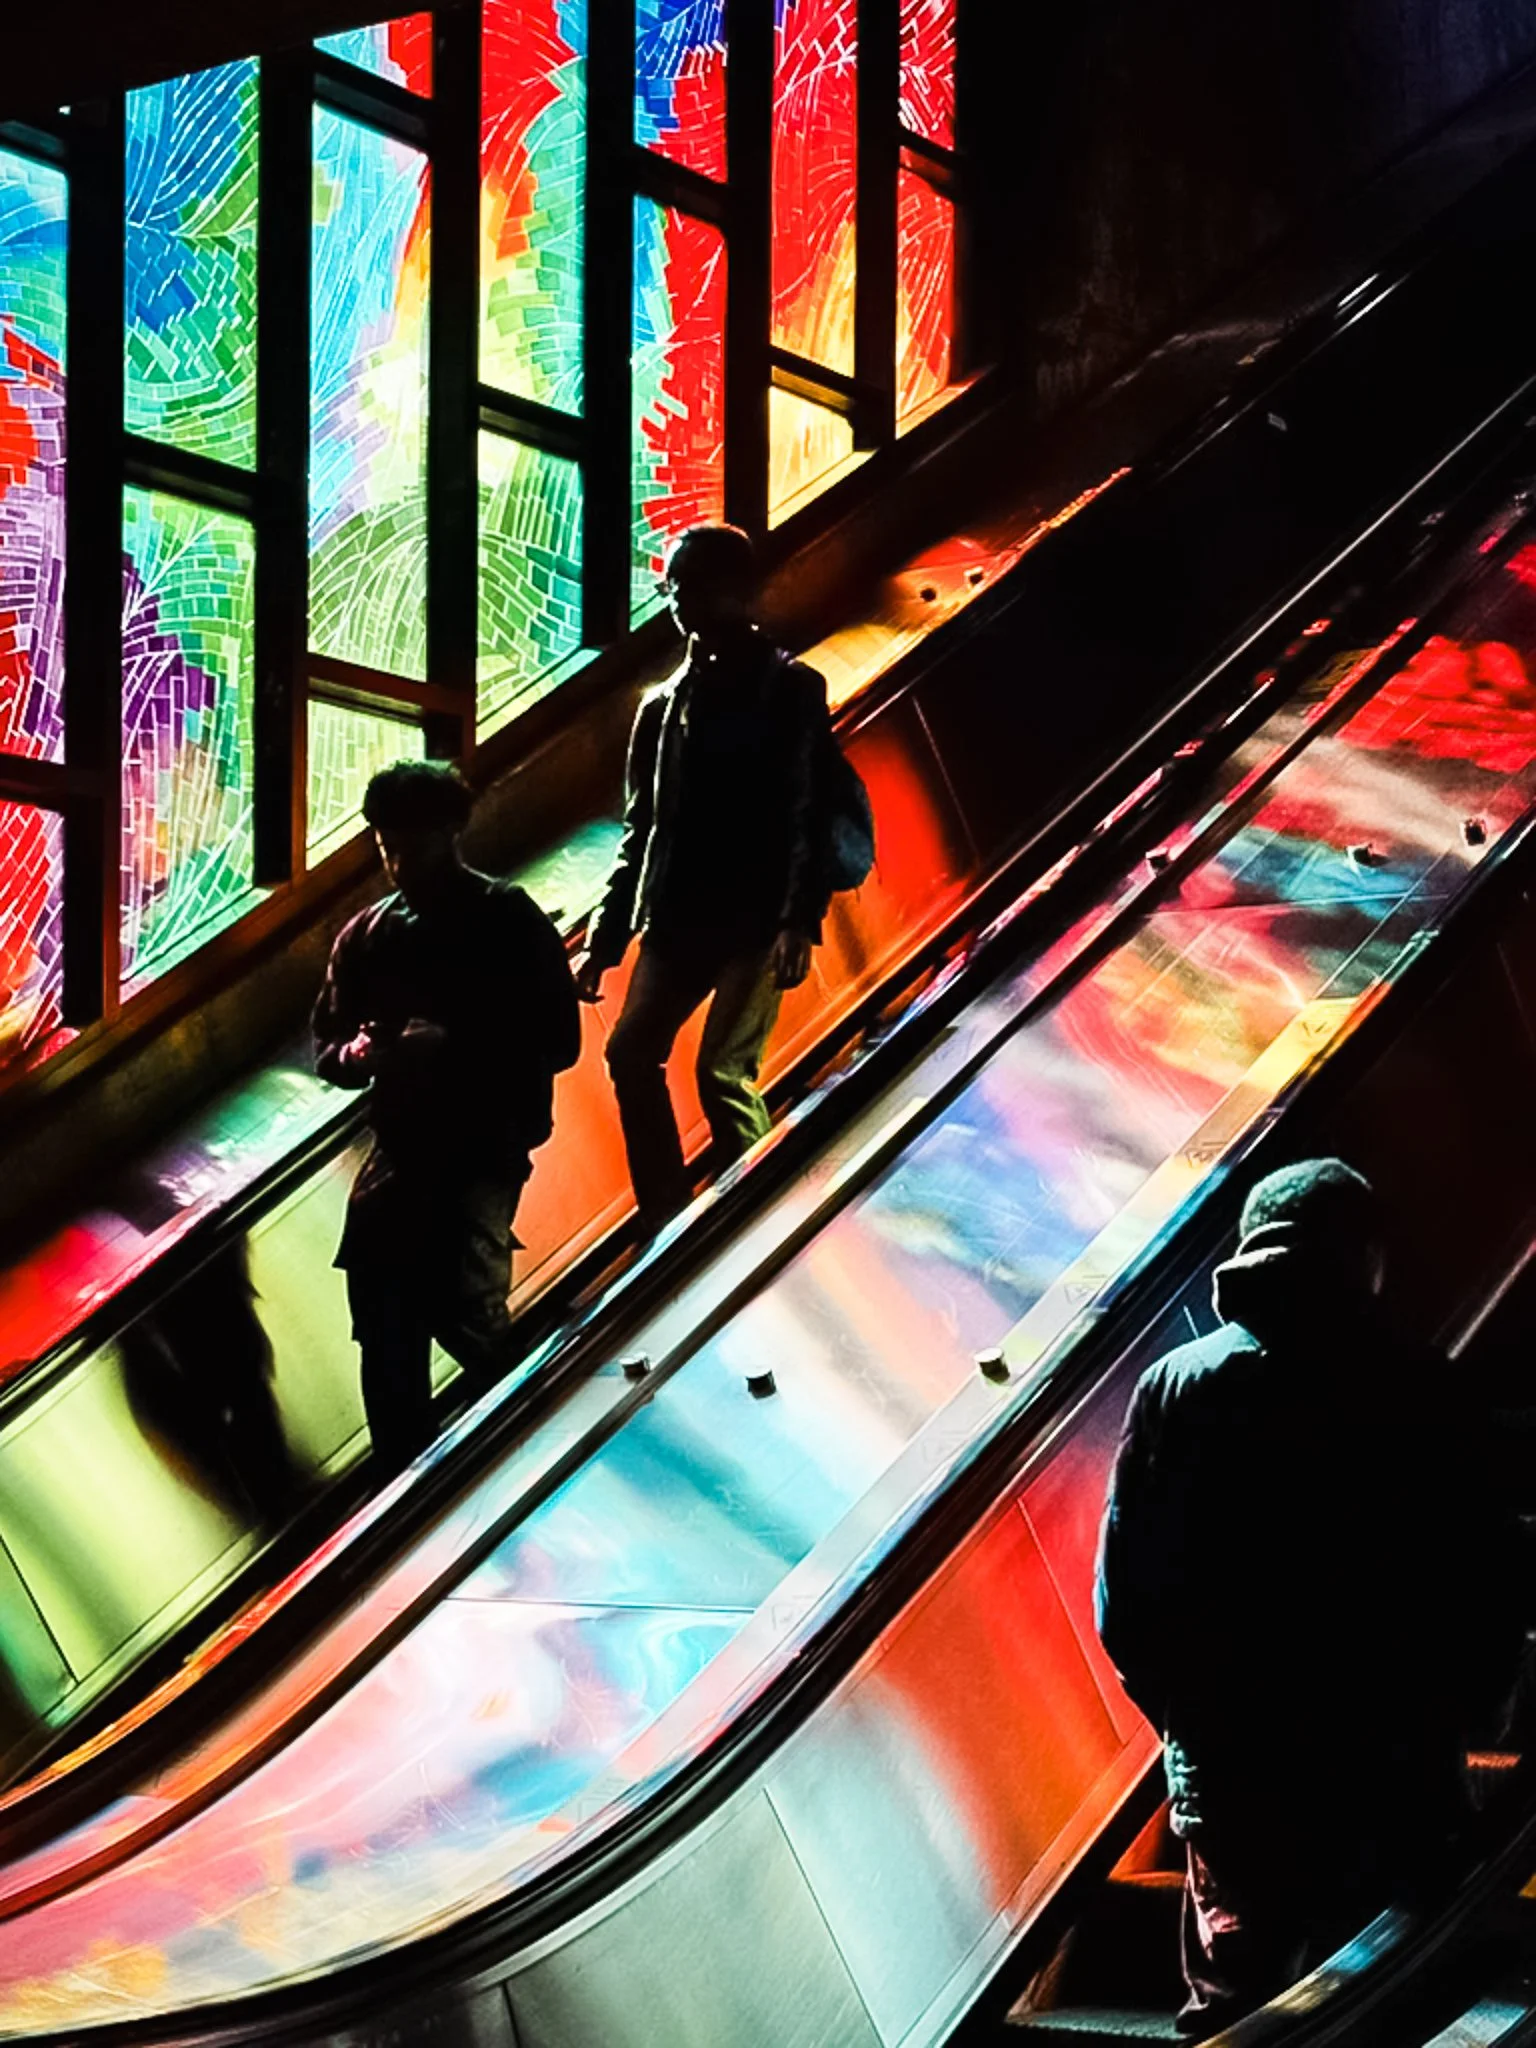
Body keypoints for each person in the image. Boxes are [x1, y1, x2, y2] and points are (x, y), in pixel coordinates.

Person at [1095, 1159, 1522, 2035]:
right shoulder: (1428, 1390)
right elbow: (1489, 1577)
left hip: (1237, 1774)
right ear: (1363, 1255)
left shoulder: (1178, 1388)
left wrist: (1190, 1721)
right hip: (1393, 1766)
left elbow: (1127, 1599)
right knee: (1385, 1995)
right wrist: (1474, 1708)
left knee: (1233, 2009)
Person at [313, 761, 580, 1469]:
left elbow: (559, 1038)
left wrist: (455, 1044)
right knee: (389, 1326)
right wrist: (363, 1054)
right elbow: (328, 1047)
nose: (397, 862)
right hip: (406, 1156)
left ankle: (528, 1456)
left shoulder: (505, 918)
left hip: (478, 1148)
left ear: (451, 832)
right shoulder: (368, 936)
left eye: (411, 845)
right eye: (386, 845)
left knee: (463, 1311)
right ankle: (418, 1480)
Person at [574, 524, 832, 1230]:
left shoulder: (790, 688)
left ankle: (765, 1216)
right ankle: (669, 1218)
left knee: (721, 1074)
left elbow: (806, 808)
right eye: (672, 588)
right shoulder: (662, 706)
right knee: (631, 1055)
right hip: (680, 915)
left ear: (731, 590)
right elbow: (642, 830)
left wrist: (795, 920)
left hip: (753, 917)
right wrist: (606, 940)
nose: (676, 602)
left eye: (685, 587)